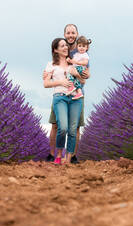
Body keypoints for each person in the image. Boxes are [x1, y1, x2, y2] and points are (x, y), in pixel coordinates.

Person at [44, 24, 90, 163]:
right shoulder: (58, 56)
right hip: (59, 96)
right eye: (68, 33)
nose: (70, 35)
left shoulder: (80, 51)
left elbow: (85, 74)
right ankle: (54, 155)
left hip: (77, 94)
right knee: (56, 125)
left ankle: (71, 156)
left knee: (74, 128)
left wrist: (83, 74)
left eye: (73, 32)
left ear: (76, 34)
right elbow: (47, 79)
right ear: (64, 35)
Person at [66, 36, 91, 100]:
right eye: (80, 46)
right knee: (76, 80)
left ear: (87, 47)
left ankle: (71, 86)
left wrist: (75, 62)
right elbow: (73, 62)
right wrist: (70, 61)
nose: (81, 48)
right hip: (77, 69)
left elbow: (85, 62)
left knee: (69, 72)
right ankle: (79, 92)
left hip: (80, 69)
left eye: (83, 46)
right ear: (77, 47)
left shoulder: (85, 54)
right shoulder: (76, 54)